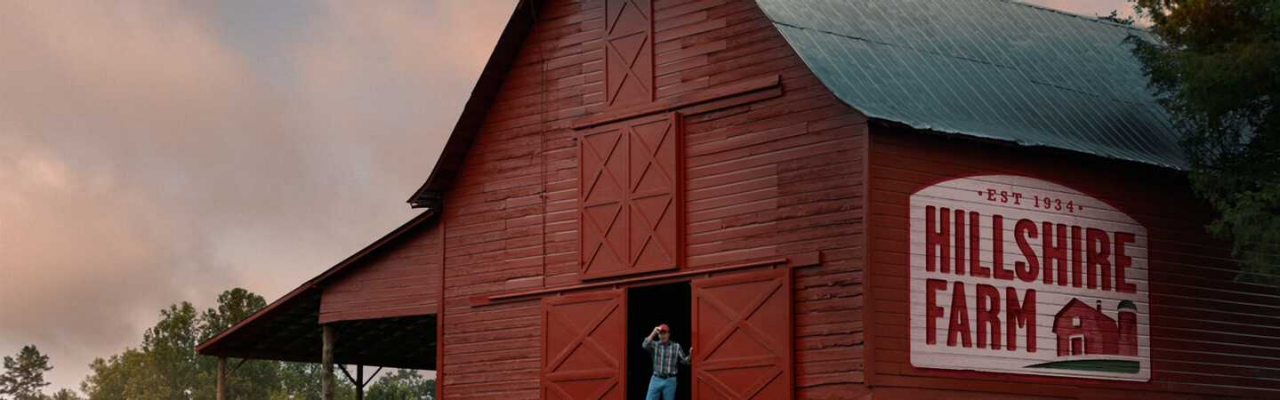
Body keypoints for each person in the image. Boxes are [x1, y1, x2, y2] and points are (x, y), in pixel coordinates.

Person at [642, 323, 691, 400]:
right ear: (658, 335)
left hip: (670, 381)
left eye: (664, 333)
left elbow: (685, 362)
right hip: (656, 379)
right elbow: (644, 345)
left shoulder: (676, 346)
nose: (662, 336)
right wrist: (654, 332)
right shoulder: (655, 345)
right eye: (660, 334)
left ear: (669, 334)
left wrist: (690, 355)